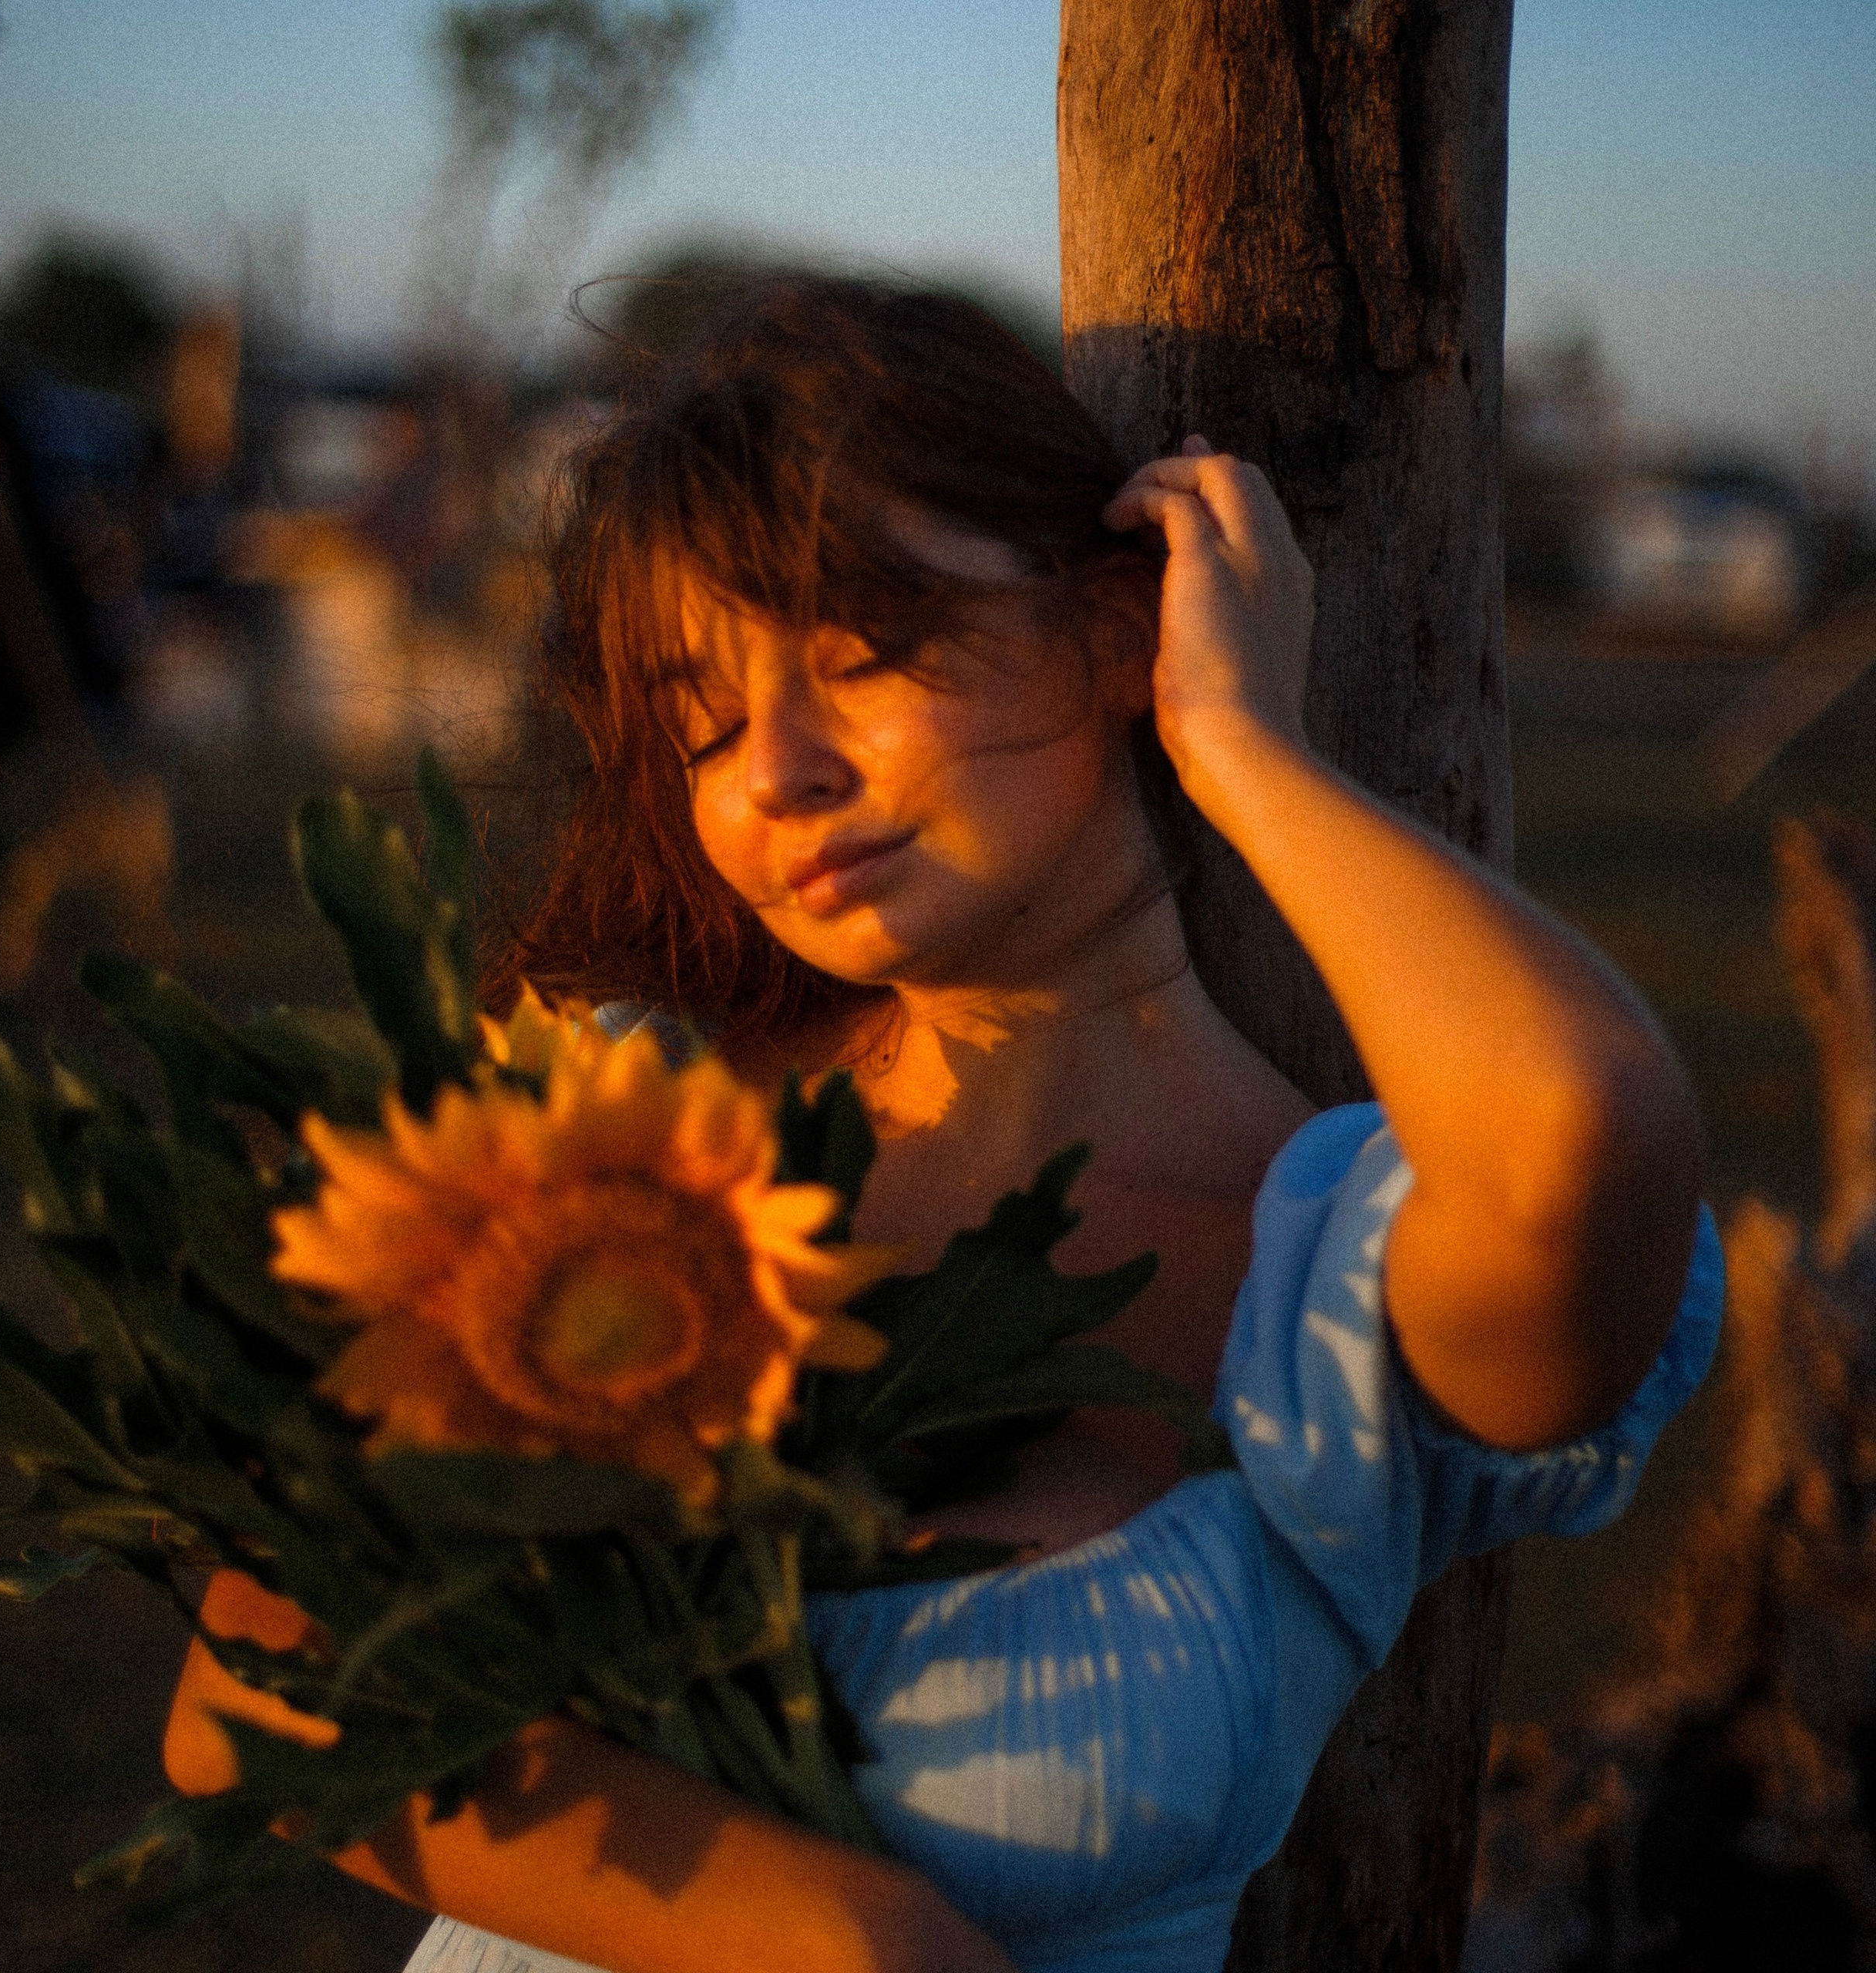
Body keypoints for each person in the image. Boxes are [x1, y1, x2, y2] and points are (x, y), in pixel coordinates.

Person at [163, 279, 1722, 1973]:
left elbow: (1586, 1123)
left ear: (1118, 633)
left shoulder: (1330, 1287)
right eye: (703, 715)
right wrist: (852, 1930)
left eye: (865, 651)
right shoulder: (607, 1130)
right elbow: (256, 1689)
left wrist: (1244, 750)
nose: (776, 771)